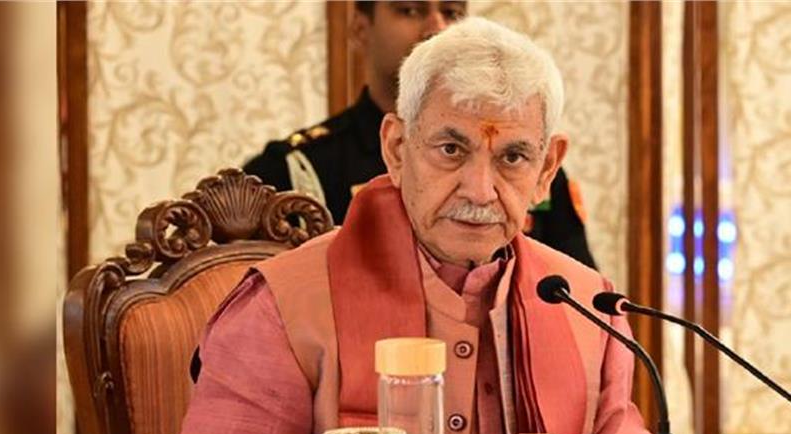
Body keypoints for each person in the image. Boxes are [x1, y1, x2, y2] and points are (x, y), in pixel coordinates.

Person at [171, 17, 654, 434]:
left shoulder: (586, 301)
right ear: (397, 149)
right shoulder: (284, 304)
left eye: (513, 157)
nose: (480, 191)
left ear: (547, 168)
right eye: (451, 150)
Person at [244, 1, 598, 268]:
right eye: (410, 10)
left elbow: (570, 297)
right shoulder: (297, 167)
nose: (436, 27)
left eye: (451, 12)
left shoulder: (524, 162)